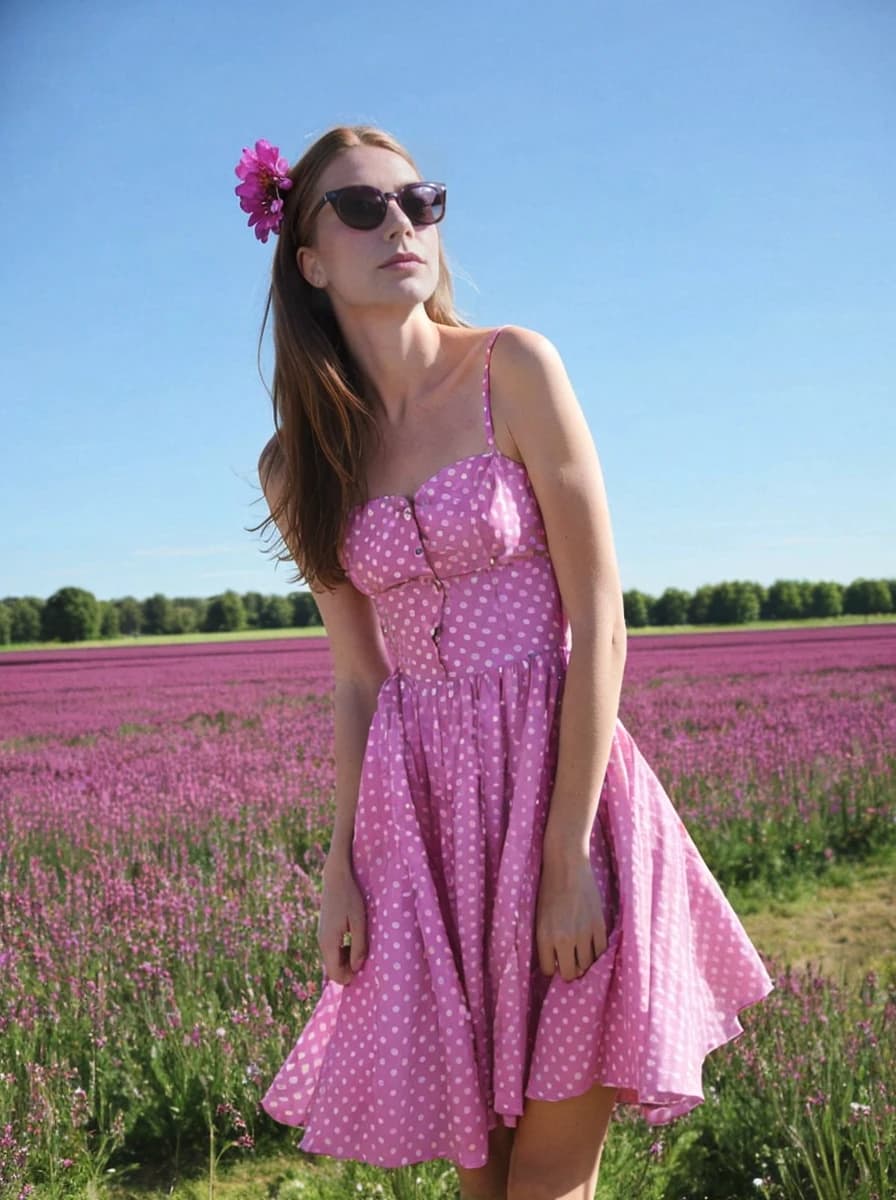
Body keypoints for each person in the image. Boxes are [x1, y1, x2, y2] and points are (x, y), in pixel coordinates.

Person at [242, 124, 774, 1200]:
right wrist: (342, 865)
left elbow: (599, 614)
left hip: (562, 793)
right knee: (476, 1183)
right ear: (307, 258)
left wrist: (567, 853)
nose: (399, 224)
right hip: (424, 829)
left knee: (542, 1182)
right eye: (361, 208)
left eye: (419, 202)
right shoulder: (296, 462)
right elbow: (357, 679)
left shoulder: (512, 369)